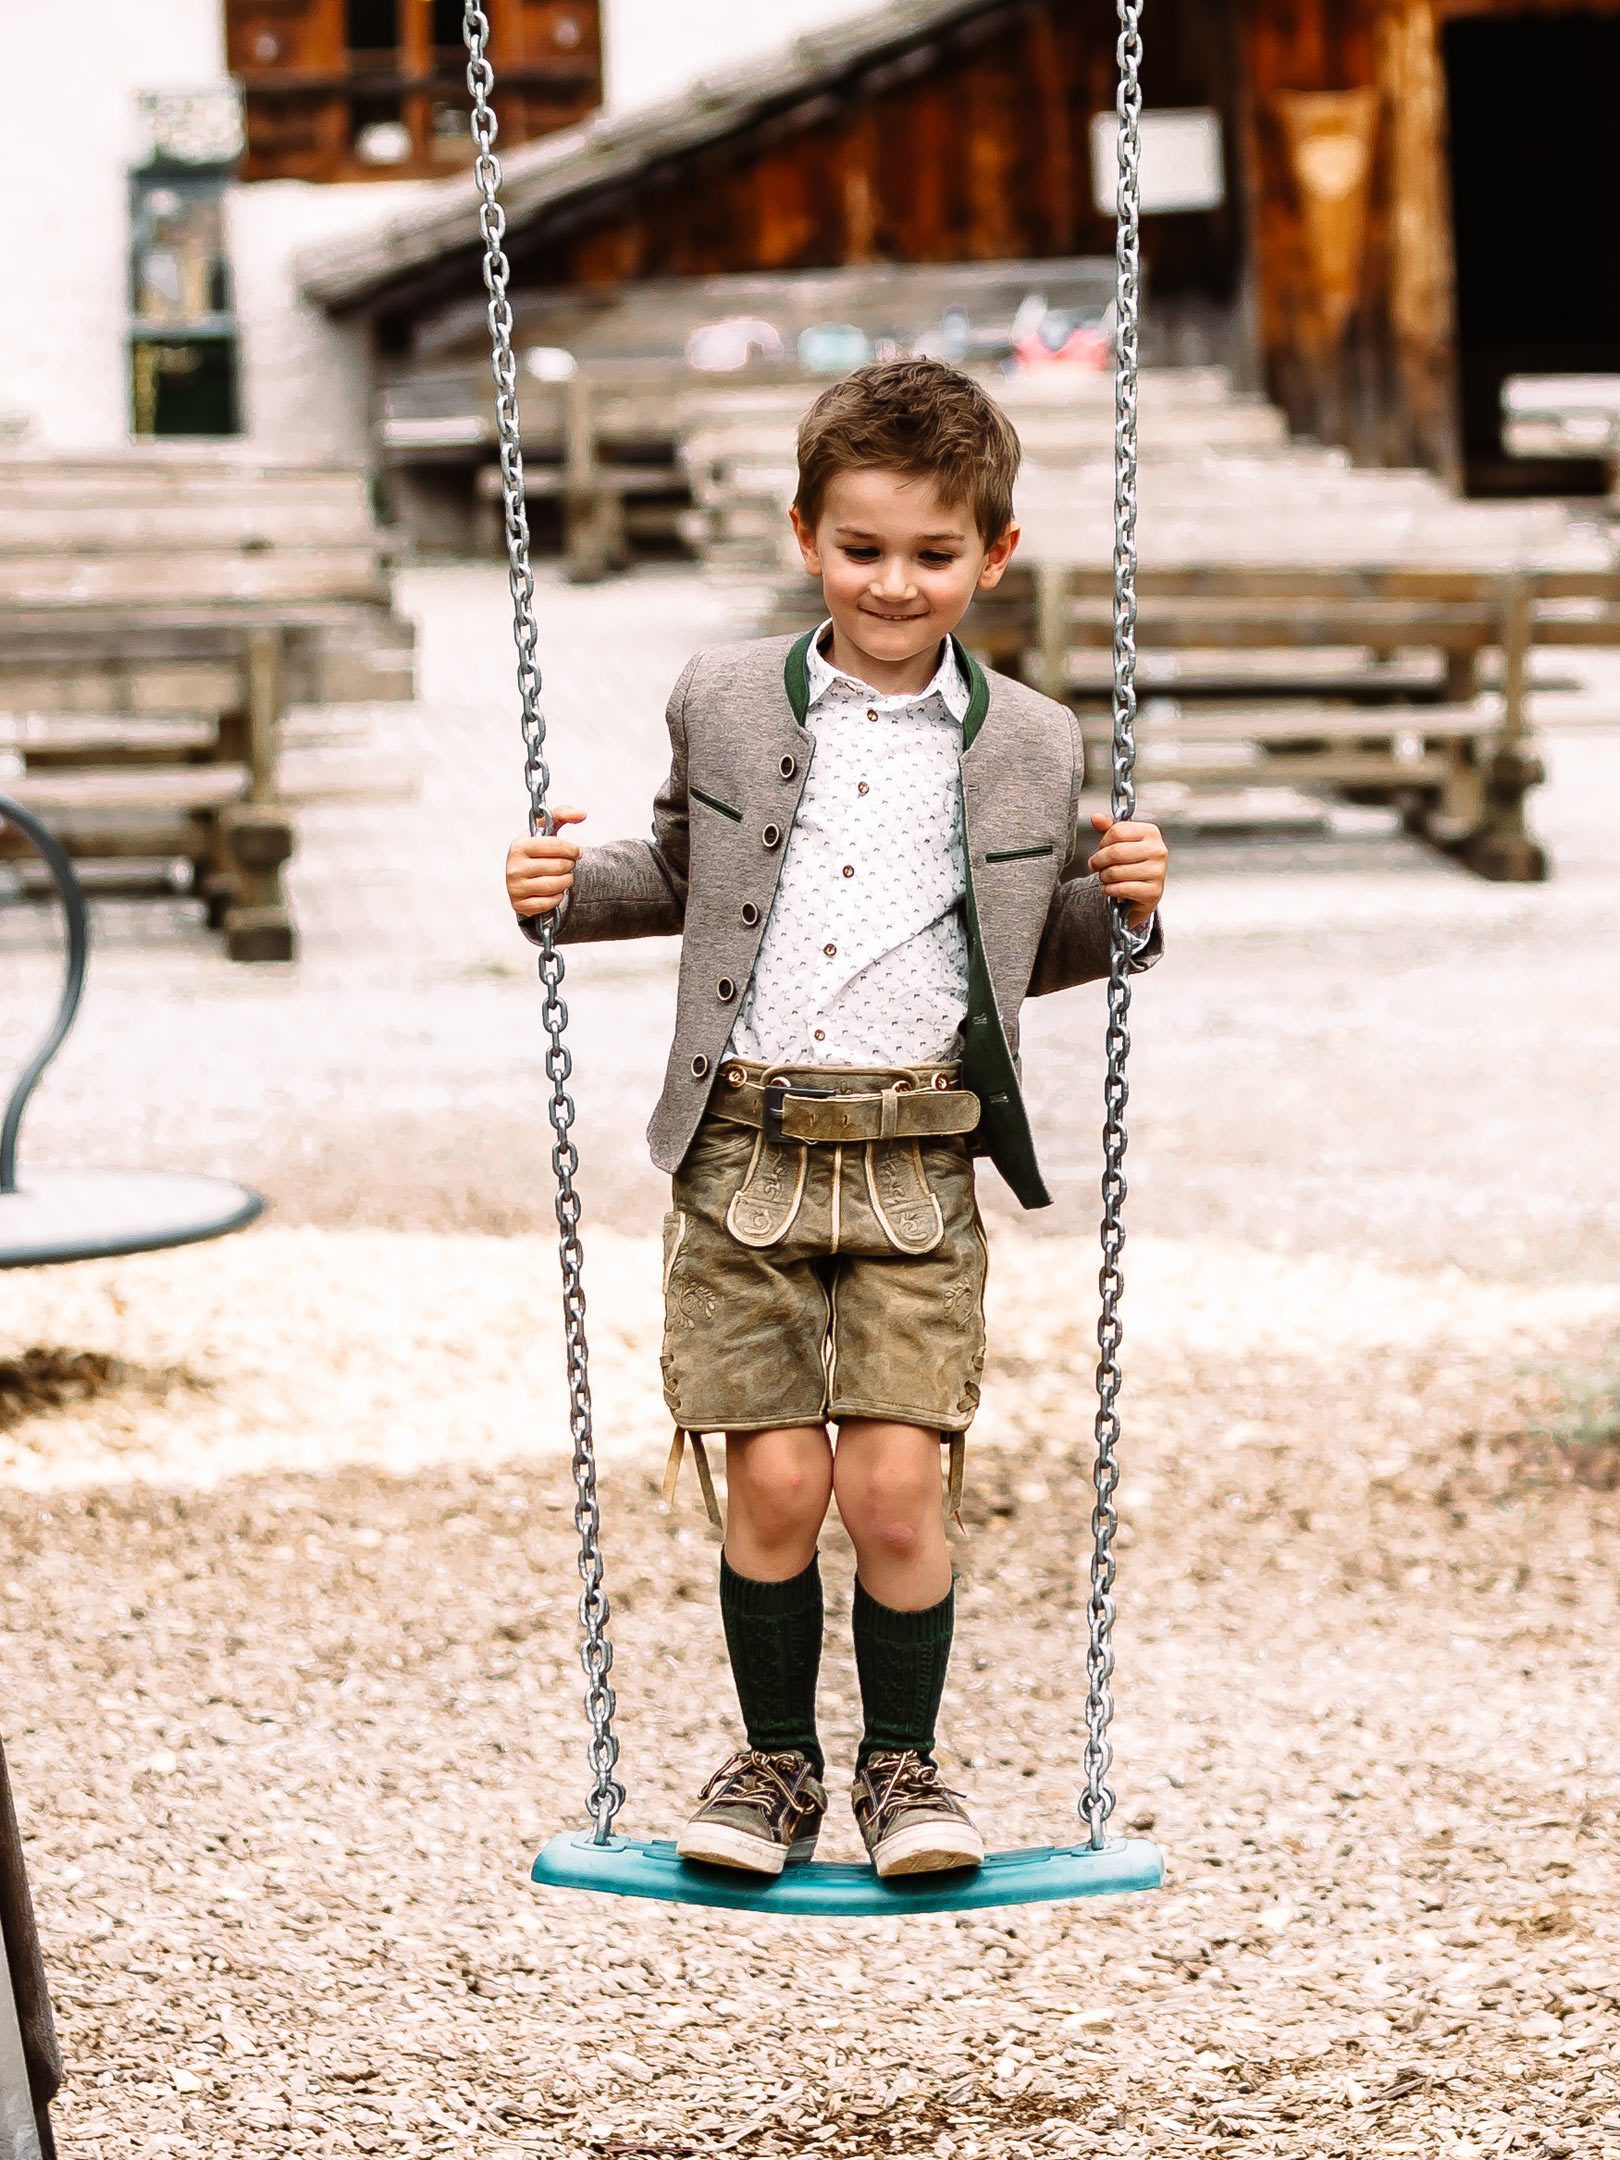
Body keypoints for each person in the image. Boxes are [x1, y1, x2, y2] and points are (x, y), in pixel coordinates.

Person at [505, 358, 1167, 1880]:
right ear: (808, 535)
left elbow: (1013, 950)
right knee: (779, 1481)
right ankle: (775, 1767)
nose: (893, 583)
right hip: (742, 1143)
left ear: (993, 555)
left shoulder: (1033, 740)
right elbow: (689, 880)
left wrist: (1128, 909)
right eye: (861, 547)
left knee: (892, 1486)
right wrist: (563, 890)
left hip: (919, 1159)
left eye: (934, 553)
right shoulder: (724, 696)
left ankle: (904, 1772)